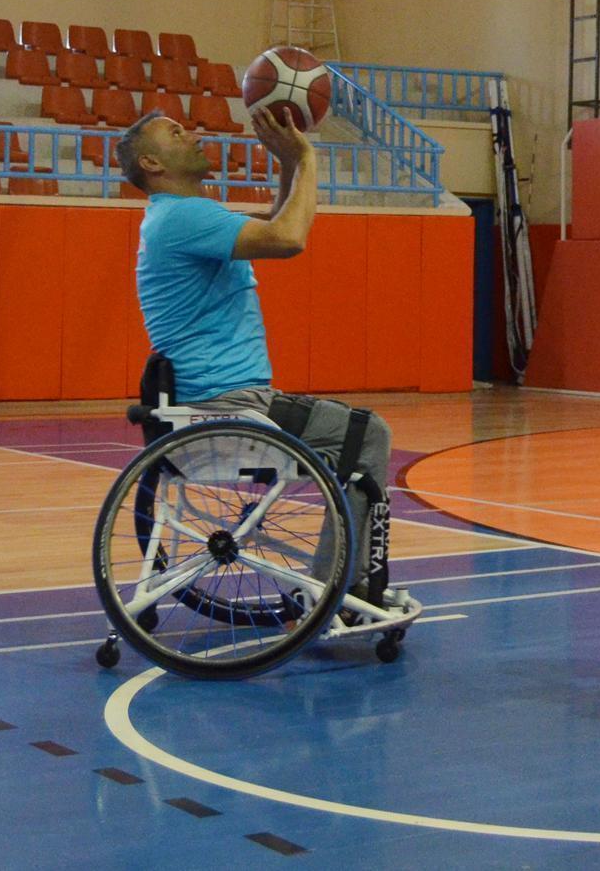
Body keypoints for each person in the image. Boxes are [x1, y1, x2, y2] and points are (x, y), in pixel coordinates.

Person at [116, 106, 407, 613]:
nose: (194, 134)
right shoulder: (184, 217)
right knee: (372, 434)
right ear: (151, 163)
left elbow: (274, 224)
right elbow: (289, 238)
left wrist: (286, 165)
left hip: (212, 404)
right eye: (177, 133)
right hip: (230, 407)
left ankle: (331, 582)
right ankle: (336, 587)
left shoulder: (178, 218)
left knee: (357, 433)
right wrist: (309, 156)